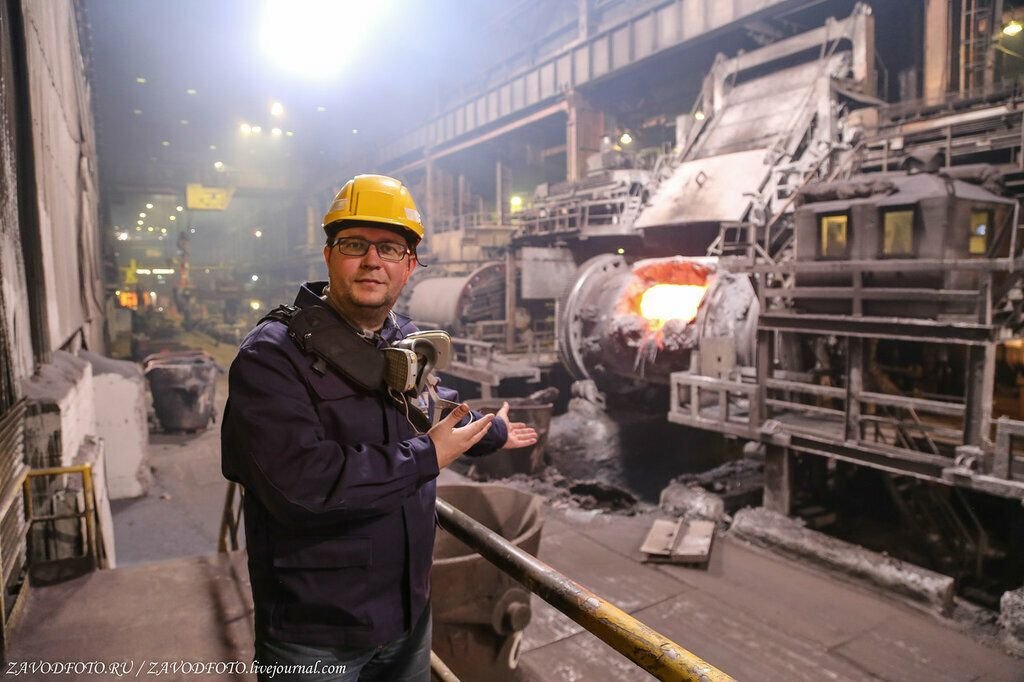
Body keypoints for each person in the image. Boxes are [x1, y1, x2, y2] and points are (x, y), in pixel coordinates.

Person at [221, 174, 537, 681]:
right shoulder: (272, 358)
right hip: (316, 635)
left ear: (409, 266)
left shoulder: (405, 340)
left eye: (390, 248)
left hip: (408, 617)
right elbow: (303, 486)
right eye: (354, 245)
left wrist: (491, 433)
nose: (373, 261)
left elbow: (436, 409)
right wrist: (425, 457)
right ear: (328, 255)